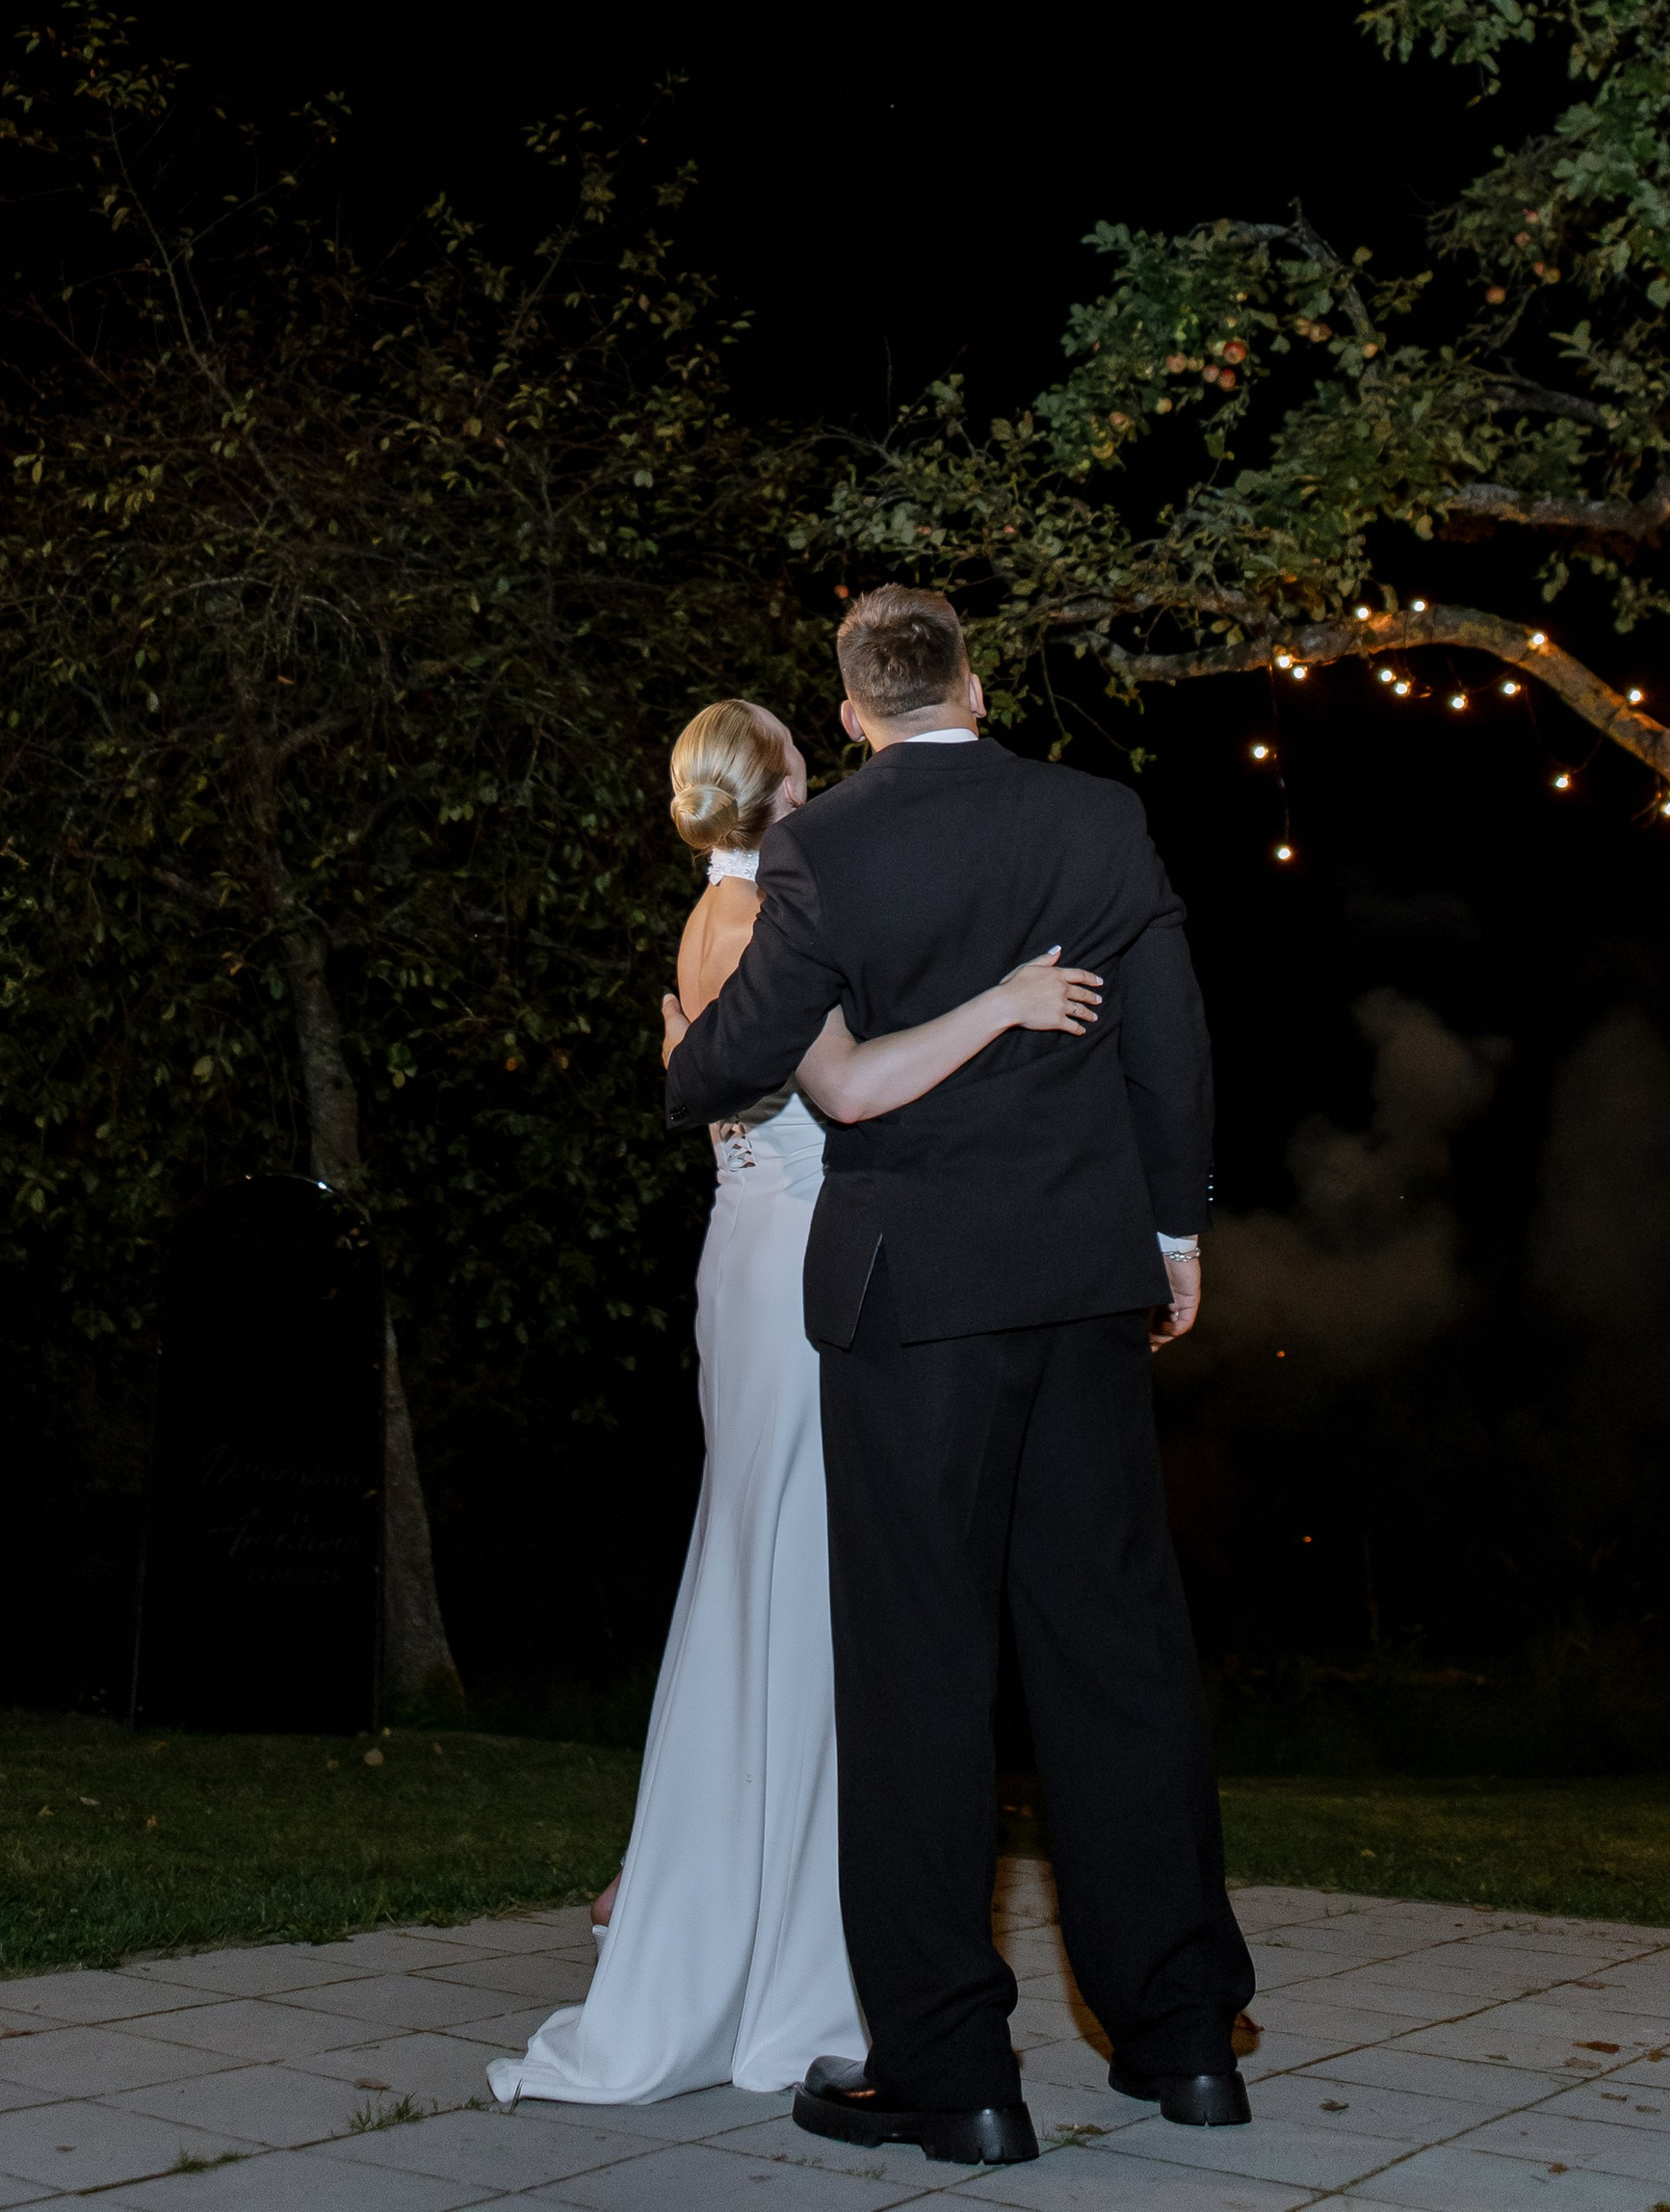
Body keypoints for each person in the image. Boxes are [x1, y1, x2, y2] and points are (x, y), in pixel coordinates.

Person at [664, 585, 1254, 2170]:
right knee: (1115, 1649)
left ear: (853, 713)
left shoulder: (826, 845)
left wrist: (683, 1051)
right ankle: (1186, 2041)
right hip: (1079, 1286)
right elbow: (1172, 1036)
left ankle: (954, 2075)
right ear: (976, 684)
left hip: (912, 1304)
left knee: (922, 1678)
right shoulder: (1095, 816)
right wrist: (1172, 1231)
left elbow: (737, 1057)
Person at [489, 692, 1104, 2113]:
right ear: (774, 787)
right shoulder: (765, 920)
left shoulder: (732, 912)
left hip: (767, 1259)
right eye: (799, 751)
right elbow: (853, 1086)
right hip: (796, 1282)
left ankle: (738, 1891)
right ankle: (774, 1926)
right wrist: (1005, 1002)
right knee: (812, 1580)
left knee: (785, 1577)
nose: (821, 769)